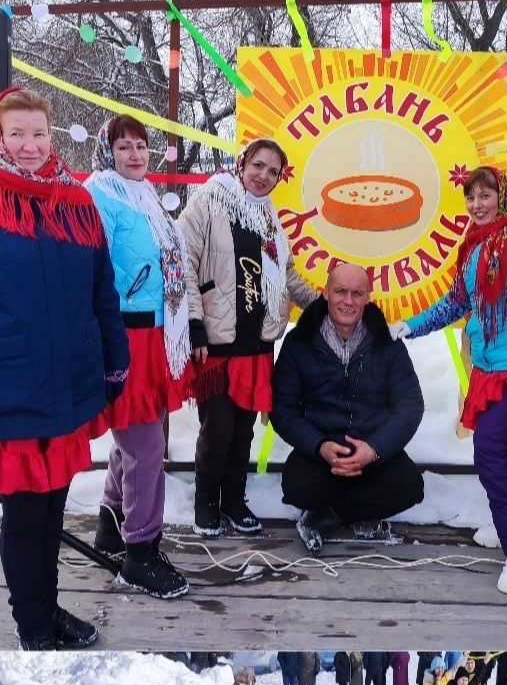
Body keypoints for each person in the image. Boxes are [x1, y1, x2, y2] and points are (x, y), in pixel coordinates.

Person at [0, 86, 128, 650]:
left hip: (69, 380)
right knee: (26, 515)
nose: (30, 145)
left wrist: (114, 356)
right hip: (15, 385)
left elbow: (103, 286)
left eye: (38, 133)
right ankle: (33, 628)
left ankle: (47, 609)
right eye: (16, 134)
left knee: (54, 508)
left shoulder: (76, 200)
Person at [406, 168, 507, 595]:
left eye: (486, 195)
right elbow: (457, 302)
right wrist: (409, 326)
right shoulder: (475, 247)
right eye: (471, 197)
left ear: (504, 195)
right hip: (488, 366)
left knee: (491, 447)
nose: (478, 204)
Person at [85, 115, 201, 599]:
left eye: (141, 146)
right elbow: (95, 270)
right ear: (107, 151)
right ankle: (141, 550)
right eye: (124, 146)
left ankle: (113, 521)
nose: (135, 154)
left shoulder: (147, 196)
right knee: (146, 446)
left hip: (158, 335)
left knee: (138, 435)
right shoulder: (100, 194)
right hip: (124, 335)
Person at [178, 138, 315, 536]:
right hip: (218, 341)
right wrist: (193, 321)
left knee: (243, 430)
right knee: (217, 428)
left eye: (273, 172)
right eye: (258, 166)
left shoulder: (269, 218)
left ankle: (234, 501)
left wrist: (321, 303)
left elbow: (285, 275)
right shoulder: (210, 200)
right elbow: (183, 259)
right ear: (242, 164)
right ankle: (207, 501)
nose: (264, 176)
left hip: (257, 344)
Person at [270, 260, 425, 552]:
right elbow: (282, 409)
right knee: (296, 487)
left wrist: (375, 449)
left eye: (357, 293)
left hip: (373, 451)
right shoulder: (298, 342)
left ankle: (330, 515)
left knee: (409, 487)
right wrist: (319, 447)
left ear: (368, 297)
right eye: (341, 291)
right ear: (325, 292)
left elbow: (410, 405)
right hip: (323, 450)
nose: (349, 301)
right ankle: (363, 508)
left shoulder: (388, 342)